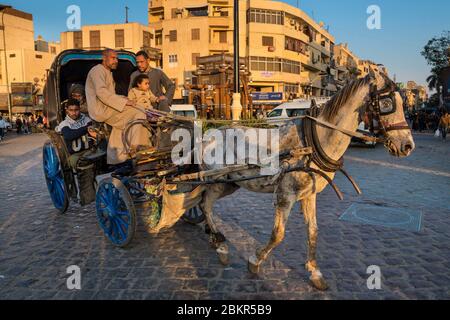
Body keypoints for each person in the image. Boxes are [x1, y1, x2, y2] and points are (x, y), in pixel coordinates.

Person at [85, 48, 150, 166]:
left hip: (108, 107)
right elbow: (102, 93)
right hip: (101, 110)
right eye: (113, 58)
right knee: (139, 112)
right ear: (104, 58)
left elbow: (111, 95)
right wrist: (124, 102)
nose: (116, 61)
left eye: (117, 59)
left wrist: (124, 99)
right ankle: (135, 148)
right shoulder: (97, 71)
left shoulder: (108, 72)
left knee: (133, 115)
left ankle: (117, 157)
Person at [56, 99, 98, 205]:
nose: (74, 113)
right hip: (75, 155)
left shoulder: (86, 119)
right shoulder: (64, 124)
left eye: (76, 110)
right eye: (71, 110)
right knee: (84, 163)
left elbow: (92, 129)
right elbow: (69, 135)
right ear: (67, 110)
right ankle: (88, 199)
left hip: (91, 150)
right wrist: (86, 129)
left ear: (80, 109)